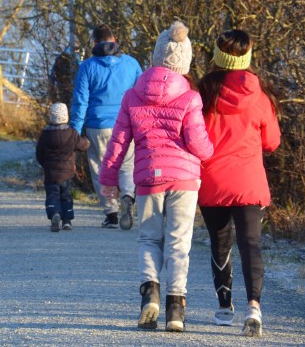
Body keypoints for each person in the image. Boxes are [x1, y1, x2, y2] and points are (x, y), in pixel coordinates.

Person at [99, 21, 213, 332]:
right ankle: (176, 309)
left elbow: (119, 142)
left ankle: (149, 292)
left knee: (149, 238)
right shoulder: (190, 98)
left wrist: (109, 176)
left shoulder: (132, 96)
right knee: (178, 243)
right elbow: (199, 146)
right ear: (185, 62)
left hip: (148, 179)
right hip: (184, 181)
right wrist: (210, 150)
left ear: (155, 57)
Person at [197, 29, 281, 337]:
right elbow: (272, 141)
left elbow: (193, 134)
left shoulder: (204, 91)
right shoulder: (260, 94)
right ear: (246, 58)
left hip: (212, 179)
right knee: (250, 244)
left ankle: (223, 306)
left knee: (220, 243)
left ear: (218, 57)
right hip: (248, 180)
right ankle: (254, 307)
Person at [70, 23, 142, 229]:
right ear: (114, 38)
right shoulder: (132, 64)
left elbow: (80, 101)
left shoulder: (87, 67)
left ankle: (111, 213)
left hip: (97, 125)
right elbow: (140, 95)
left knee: (101, 168)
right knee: (127, 165)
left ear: (94, 42)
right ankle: (128, 194)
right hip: (126, 124)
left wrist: (75, 131)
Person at [35, 102, 90, 232]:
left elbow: (39, 153)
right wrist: (87, 141)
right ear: (66, 116)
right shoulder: (72, 133)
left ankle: (55, 214)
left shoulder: (45, 134)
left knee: (52, 195)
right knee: (66, 196)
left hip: (50, 174)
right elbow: (82, 145)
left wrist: (45, 165)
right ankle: (67, 221)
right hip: (67, 174)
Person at [49, 42, 81, 107]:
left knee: (64, 108)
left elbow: (52, 76)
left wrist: (52, 89)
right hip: (74, 88)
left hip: (61, 86)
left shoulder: (60, 57)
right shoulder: (76, 58)